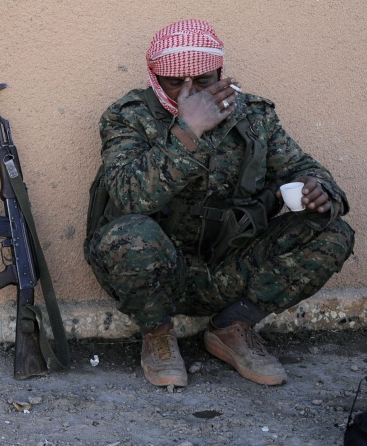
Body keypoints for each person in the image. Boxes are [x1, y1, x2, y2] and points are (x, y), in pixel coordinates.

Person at [85, 20, 354, 388]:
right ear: (154, 78)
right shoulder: (128, 116)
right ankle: (158, 334)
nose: (191, 92)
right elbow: (130, 196)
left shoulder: (253, 116)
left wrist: (318, 190)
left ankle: (233, 326)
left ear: (220, 73)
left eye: (203, 80)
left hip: (231, 265)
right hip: (157, 269)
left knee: (333, 233)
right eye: (175, 83)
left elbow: (304, 168)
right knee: (129, 234)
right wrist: (188, 129)